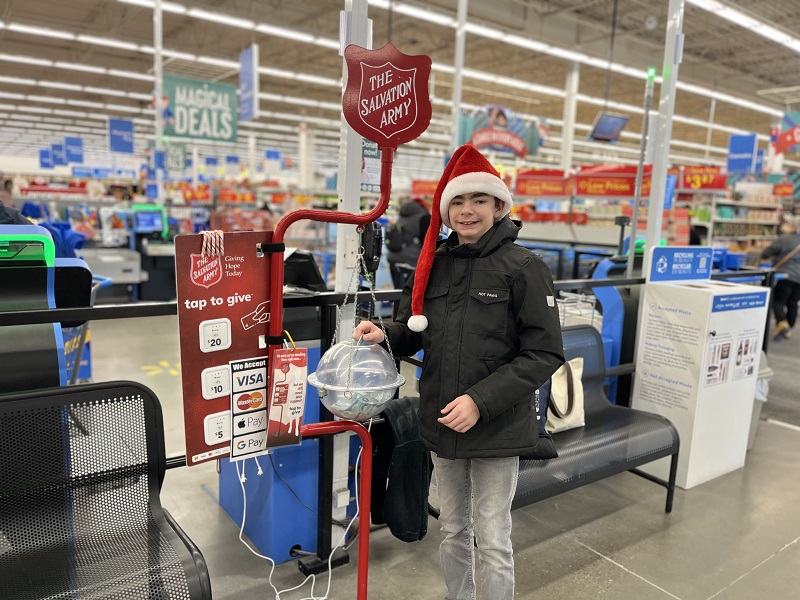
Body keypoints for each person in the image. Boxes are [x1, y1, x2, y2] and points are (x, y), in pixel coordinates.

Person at [354, 144, 564, 599]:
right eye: (458, 202)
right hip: (442, 418)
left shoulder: (525, 268)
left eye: (479, 201)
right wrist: (384, 333)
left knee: (492, 538)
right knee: (452, 528)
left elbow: (544, 354)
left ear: (498, 206)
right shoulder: (435, 265)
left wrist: (480, 402)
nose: (467, 211)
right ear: (446, 210)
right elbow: (417, 330)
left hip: (497, 424)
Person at [761, 215, 800, 340]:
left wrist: (763, 257)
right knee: (793, 302)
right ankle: (788, 327)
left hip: (786, 275)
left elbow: (767, 252)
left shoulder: (785, 239)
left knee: (778, 301)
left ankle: (782, 323)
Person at [386, 197, 430, 289]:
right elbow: (427, 242)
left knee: (397, 293)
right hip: (411, 260)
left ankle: (396, 303)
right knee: (410, 295)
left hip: (393, 258)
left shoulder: (402, 215)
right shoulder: (424, 217)